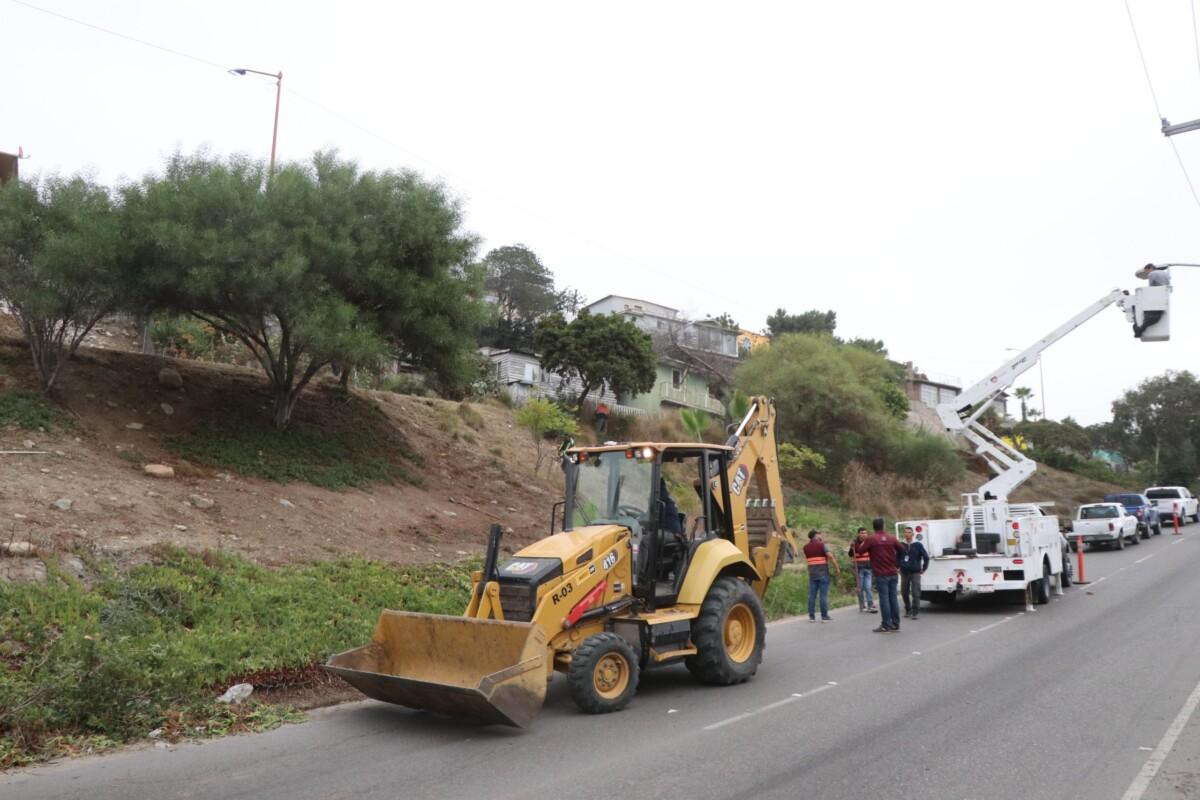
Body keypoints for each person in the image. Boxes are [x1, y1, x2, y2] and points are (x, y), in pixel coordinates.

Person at [855, 517, 907, 633]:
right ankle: (895, 624)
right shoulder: (891, 538)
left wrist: (859, 542)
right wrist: (898, 564)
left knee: (884, 599)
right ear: (883, 526)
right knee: (893, 598)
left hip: (880, 573)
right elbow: (903, 550)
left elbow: (860, 551)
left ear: (873, 527)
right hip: (893, 572)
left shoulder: (871, 539)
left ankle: (886, 625)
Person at [803, 529, 841, 622]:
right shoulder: (822, 545)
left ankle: (811, 617)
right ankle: (824, 616)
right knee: (823, 596)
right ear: (816, 536)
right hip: (823, 573)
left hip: (812, 574)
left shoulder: (805, 547)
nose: (821, 536)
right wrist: (837, 568)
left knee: (812, 596)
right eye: (820, 535)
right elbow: (830, 556)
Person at [898, 525, 929, 620]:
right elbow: (896, 557)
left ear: (913, 534)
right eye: (905, 532)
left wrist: (923, 568)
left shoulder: (918, 545)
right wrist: (897, 567)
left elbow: (926, 557)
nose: (907, 534)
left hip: (915, 572)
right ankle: (908, 609)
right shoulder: (901, 545)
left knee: (916, 592)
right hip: (904, 572)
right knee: (904, 592)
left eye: (909, 532)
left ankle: (915, 612)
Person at [1133, 264, 1170, 337]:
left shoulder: (1152, 274)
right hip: (1164, 294)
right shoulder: (1165, 273)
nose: (1147, 273)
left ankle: (1140, 330)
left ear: (1150, 268)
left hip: (1155, 294)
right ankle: (1140, 329)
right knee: (1154, 315)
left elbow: (1151, 286)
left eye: (1146, 270)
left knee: (1150, 314)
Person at [848, 528, 877, 613]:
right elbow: (850, 554)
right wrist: (851, 547)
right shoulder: (855, 543)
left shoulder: (869, 543)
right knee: (860, 588)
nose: (864, 534)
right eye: (862, 533)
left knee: (868, 587)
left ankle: (870, 605)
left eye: (865, 533)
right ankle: (862, 605)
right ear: (858, 534)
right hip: (859, 568)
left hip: (868, 568)